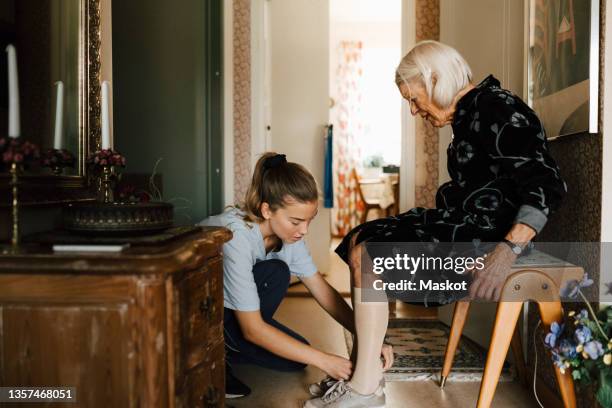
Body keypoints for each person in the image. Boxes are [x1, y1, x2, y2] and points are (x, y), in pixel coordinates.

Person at [304, 40, 566, 407]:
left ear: (436, 79)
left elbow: (546, 185)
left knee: (370, 254)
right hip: (465, 224)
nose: (413, 111)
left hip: (490, 239)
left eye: (414, 99)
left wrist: (507, 252)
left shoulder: (497, 107)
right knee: (360, 237)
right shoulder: (471, 113)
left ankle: (364, 387)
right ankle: (367, 370)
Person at [200, 152, 393, 399]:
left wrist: (369, 336)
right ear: (267, 210)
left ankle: (232, 348)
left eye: (309, 221)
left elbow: (322, 291)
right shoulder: (236, 237)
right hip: (202, 320)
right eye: (296, 221)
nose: (304, 230)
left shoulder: (289, 237)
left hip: (236, 317)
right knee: (276, 273)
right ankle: (217, 354)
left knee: (296, 361)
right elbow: (252, 329)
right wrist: (326, 362)